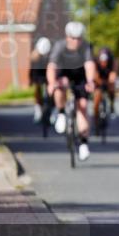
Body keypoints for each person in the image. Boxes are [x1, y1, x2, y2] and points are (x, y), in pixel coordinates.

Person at [46, 21, 97, 161]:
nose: (76, 41)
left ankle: (83, 144)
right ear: (67, 37)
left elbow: (89, 65)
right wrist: (51, 83)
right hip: (64, 73)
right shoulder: (60, 46)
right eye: (73, 38)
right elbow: (52, 66)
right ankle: (61, 113)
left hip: (80, 76)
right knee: (59, 86)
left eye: (79, 38)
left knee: (83, 107)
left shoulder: (86, 46)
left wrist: (91, 81)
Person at [93, 45, 119, 123]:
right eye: (102, 62)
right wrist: (99, 82)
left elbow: (113, 75)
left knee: (111, 87)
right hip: (99, 79)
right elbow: (95, 76)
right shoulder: (95, 63)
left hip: (108, 78)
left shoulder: (112, 62)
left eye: (105, 62)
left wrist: (110, 82)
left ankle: (112, 105)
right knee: (97, 97)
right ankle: (96, 118)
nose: (104, 64)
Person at [29, 37, 52, 122]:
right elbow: (32, 70)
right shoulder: (35, 57)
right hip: (38, 76)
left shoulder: (50, 56)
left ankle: (52, 109)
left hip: (48, 75)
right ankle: (38, 109)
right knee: (37, 90)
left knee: (51, 91)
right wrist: (31, 80)